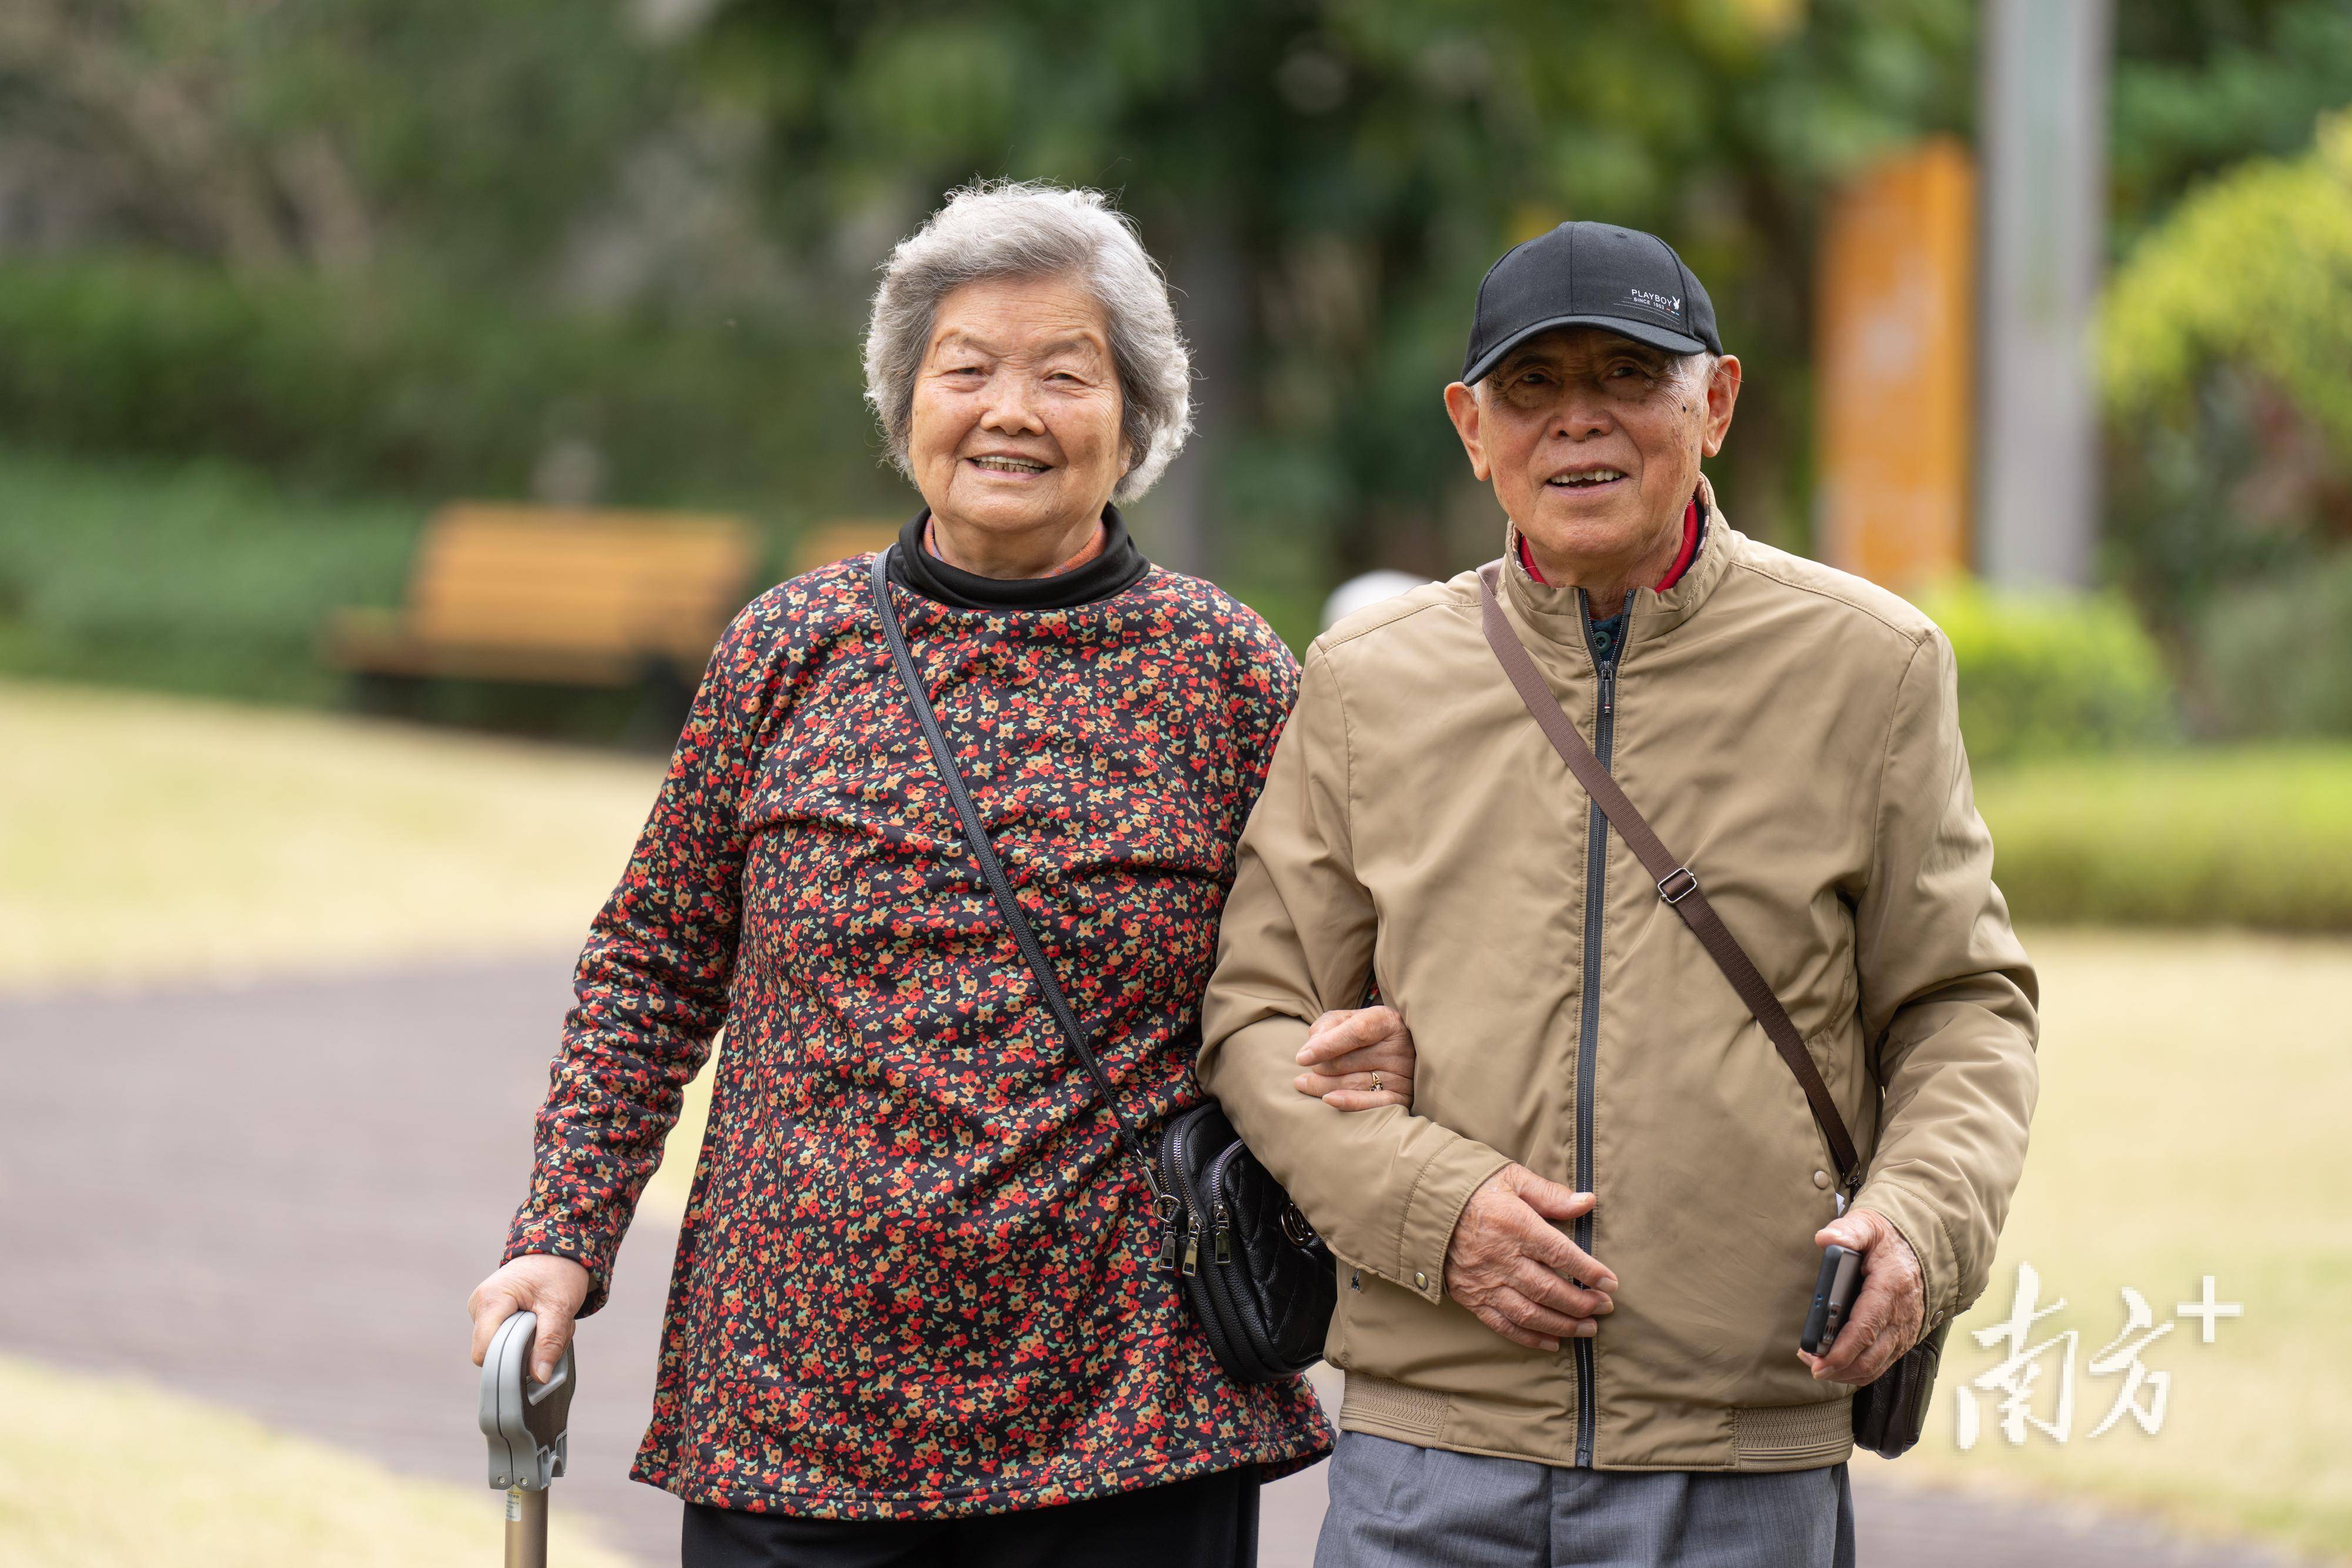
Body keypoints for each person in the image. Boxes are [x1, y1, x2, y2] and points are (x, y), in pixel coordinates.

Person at [466, 180, 1418, 1568]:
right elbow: (652, 965)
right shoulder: (788, 649)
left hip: (1126, 1404)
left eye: (1064, 374)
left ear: (1134, 419)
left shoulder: (1223, 673)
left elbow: (1340, 963)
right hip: (793, 1389)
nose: (1009, 411)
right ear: (905, 399)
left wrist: (1370, 1040)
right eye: (966, 368)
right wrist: (564, 1230)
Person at [1198, 220, 2040, 1566]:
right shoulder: (1365, 680)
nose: (1577, 421)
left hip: (1741, 1454)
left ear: (1715, 402)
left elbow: (1960, 1006)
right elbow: (1254, 1015)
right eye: (1532, 386)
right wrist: (1434, 1208)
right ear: (1471, 429)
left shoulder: (1869, 666)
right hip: (1427, 1452)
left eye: (1628, 375)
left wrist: (1921, 1221)